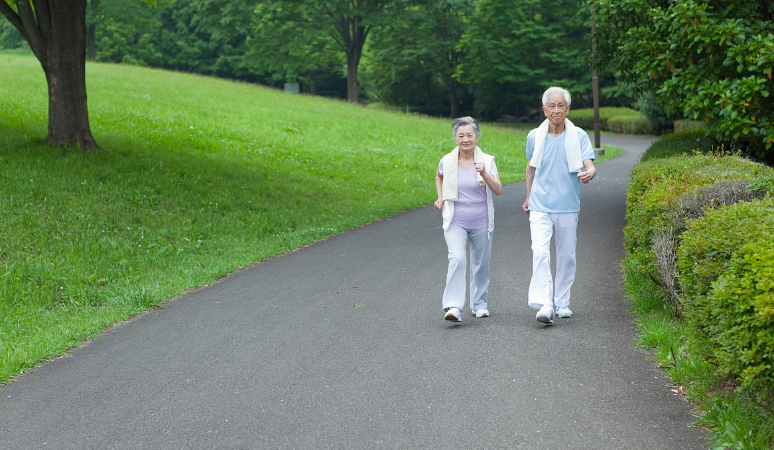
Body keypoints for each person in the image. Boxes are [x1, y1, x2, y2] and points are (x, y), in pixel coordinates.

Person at [522, 87, 596, 325]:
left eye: (560, 105)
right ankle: (545, 304)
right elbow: (531, 167)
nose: (556, 110)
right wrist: (527, 196)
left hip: (567, 205)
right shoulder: (534, 135)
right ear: (544, 110)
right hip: (540, 204)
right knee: (540, 252)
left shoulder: (579, 135)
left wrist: (590, 173)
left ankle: (562, 302)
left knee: (566, 256)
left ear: (568, 109)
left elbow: (589, 164)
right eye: (551, 106)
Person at [435, 116, 503, 322]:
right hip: (455, 220)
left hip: (481, 221)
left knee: (480, 263)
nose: (465, 139)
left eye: (469, 135)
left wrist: (485, 173)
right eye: (461, 135)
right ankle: (453, 307)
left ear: (477, 137)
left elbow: (498, 190)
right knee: (457, 259)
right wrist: (440, 197)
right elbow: (439, 176)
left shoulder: (488, 161)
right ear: (455, 138)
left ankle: (480, 304)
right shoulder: (447, 160)